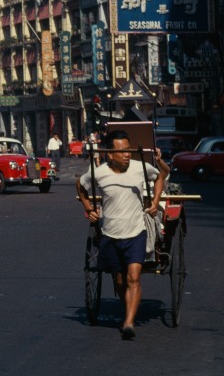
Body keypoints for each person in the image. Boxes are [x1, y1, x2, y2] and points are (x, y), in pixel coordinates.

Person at [76, 129, 168, 340]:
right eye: (122, 150)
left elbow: (160, 176)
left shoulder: (140, 168)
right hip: (109, 234)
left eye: (128, 149)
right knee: (119, 279)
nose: (127, 154)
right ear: (110, 153)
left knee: (133, 276)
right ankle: (128, 309)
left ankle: (128, 321)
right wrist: (89, 208)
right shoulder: (99, 172)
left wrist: (154, 203)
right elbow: (80, 186)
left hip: (136, 231)